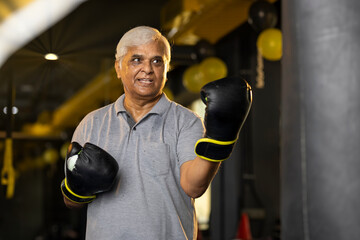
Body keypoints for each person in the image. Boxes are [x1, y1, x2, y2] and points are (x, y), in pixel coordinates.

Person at [61, 26, 252, 240]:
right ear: (118, 67)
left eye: (157, 60)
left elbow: (193, 186)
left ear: (167, 68)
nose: (147, 69)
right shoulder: (92, 124)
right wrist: (77, 187)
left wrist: (220, 138)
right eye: (136, 60)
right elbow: (71, 202)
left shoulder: (186, 122)